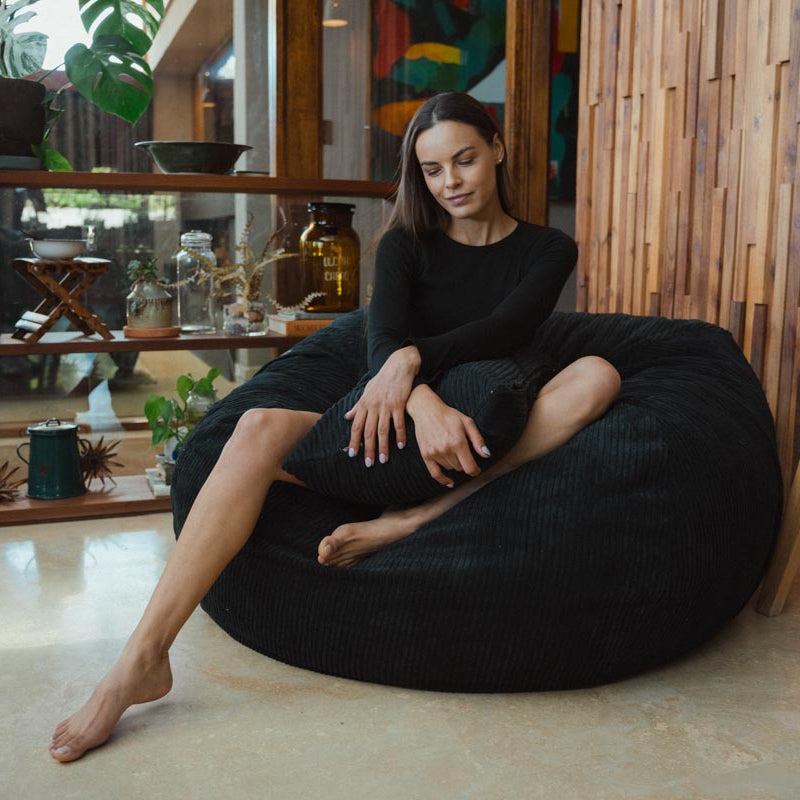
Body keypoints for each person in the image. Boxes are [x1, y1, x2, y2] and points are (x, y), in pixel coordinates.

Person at [49, 92, 621, 763]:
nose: (451, 183)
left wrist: (412, 360)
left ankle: (406, 521)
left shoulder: (548, 247)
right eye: (433, 171)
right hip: (395, 420)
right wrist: (414, 394)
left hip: (487, 420)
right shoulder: (407, 243)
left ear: (497, 148)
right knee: (256, 425)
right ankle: (140, 660)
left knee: (599, 375)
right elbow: (381, 340)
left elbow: (508, 330)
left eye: (464, 160)